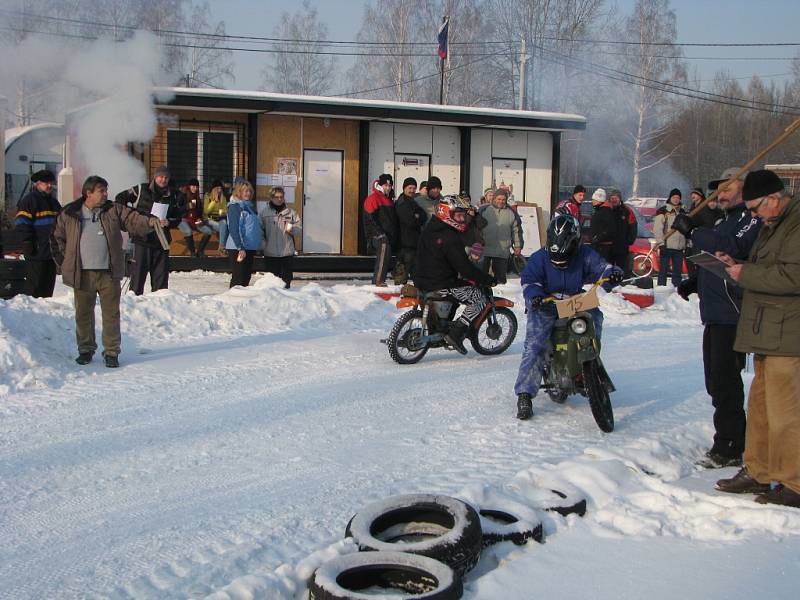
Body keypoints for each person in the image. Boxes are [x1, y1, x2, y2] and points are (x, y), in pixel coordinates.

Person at [714, 170, 800, 508]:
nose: (752, 215)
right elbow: (772, 267)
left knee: (786, 413)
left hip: (788, 335)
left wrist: (745, 273)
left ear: (775, 199)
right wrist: (736, 266)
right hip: (768, 332)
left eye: (755, 208)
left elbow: (793, 275)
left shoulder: (795, 225)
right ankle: (759, 470)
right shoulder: (775, 224)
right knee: (762, 409)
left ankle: (794, 481)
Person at [672, 170, 761, 469]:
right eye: (716, 189)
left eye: (725, 188)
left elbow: (730, 249)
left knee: (725, 380)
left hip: (732, 311)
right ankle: (732, 437)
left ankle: (730, 444)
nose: (718, 194)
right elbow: (718, 262)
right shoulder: (725, 220)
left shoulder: (750, 217)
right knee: (715, 380)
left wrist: (694, 232)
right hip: (715, 311)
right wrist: (695, 282)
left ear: (743, 189)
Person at [514, 214, 623, 420]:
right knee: (535, 345)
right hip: (546, 304)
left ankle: (588, 362)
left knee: (594, 317)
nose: (560, 262)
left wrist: (613, 273)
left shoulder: (585, 254)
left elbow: (602, 268)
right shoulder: (539, 258)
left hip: (574, 301)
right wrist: (536, 297)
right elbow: (529, 281)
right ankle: (525, 394)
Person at [51, 176, 160, 367]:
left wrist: (151, 222)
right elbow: (56, 237)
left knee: (111, 314)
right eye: (101, 191)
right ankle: (85, 349)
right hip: (82, 273)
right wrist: (64, 262)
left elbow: (133, 218)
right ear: (88, 193)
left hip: (109, 273)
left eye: (106, 190)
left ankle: (111, 352)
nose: (106, 194)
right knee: (83, 314)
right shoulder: (70, 212)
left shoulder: (113, 209)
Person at [414, 195, 495, 355]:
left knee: (461, 290)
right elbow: (464, 267)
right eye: (458, 215)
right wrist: (487, 279)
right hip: (441, 283)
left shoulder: (430, 229)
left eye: (463, 215)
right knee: (479, 298)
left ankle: (442, 326)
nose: (462, 219)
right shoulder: (449, 236)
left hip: (422, 279)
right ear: (446, 213)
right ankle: (456, 334)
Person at [115, 165, 183, 295]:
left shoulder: (173, 195)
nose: (163, 180)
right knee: (137, 277)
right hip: (142, 239)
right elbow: (119, 199)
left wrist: (169, 222)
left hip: (161, 241)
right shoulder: (141, 189)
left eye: (166, 178)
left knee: (161, 282)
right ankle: (134, 304)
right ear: (155, 177)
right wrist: (134, 217)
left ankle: (159, 306)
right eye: (161, 177)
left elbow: (178, 216)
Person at [14, 169, 60, 297]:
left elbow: (62, 224)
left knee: (48, 289)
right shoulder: (29, 201)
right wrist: (27, 241)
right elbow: (22, 223)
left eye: (51, 182)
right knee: (34, 288)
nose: (50, 185)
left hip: (51, 253)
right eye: (46, 183)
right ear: (37, 184)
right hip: (36, 252)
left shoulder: (54, 203)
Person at [259, 186, 301, 288]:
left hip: (286, 253)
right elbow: (259, 231)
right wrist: (263, 245)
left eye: (281, 197)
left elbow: (299, 229)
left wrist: (292, 229)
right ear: (271, 198)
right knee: (271, 284)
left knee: (286, 282)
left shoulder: (291, 213)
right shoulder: (264, 213)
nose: (279, 199)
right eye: (276, 197)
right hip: (270, 253)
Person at [479, 188, 523, 284]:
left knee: (500, 280)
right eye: (499, 199)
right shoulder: (484, 210)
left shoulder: (511, 213)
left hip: (502, 251)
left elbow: (516, 231)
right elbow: (476, 228)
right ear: (494, 199)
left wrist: (518, 246)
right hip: (484, 250)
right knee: (481, 278)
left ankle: (499, 297)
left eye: (503, 199)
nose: (501, 201)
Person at [362, 173, 399, 287]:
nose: (388, 188)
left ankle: (384, 279)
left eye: (389, 185)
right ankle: (378, 279)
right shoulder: (373, 198)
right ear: (380, 185)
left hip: (387, 235)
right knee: (384, 246)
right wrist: (379, 234)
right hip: (376, 235)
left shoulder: (389, 200)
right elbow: (369, 219)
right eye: (385, 185)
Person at [225, 179, 263, 288]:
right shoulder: (235, 206)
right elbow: (233, 228)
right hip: (238, 247)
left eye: (250, 191)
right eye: (245, 191)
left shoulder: (250, 207)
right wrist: (239, 247)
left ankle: (243, 302)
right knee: (238, 277)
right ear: (239, 192)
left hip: (249, 247)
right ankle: (233, 300)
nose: (248, 193)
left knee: (246, 277)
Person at [590, 188, 638, 271]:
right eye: (612, 198)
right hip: (609, 247)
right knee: (608, 269)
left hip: (622, 246)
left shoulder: (626, 211)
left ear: (620, 199)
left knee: (621, 269)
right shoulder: (607, 210)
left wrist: (629, 240)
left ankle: (623, 283)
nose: (614, 200)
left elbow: (633, 226)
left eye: (616, 198)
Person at [394, 177, 426, 284]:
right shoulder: (402, 203)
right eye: (410, 188)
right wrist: (416, 217)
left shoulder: (412, 201)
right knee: (402, 274)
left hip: (413, 242)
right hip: (404, 243)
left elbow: (423, 216)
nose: (412, 190)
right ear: (404, 188)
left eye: (414, 188)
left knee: (415, 272)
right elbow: (410, 221)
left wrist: (418, 216)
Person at [653, 189, 686, 286]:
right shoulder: (663, 211)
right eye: (674, 197)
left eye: (678, 198)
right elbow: (657, 229)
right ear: (670, 198)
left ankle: (677, 291)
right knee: (663, 271)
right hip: (666, 245)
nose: (676, 199)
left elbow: (686, 229)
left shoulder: (683, 212)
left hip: (679, 247)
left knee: (677, 273)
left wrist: (687, 243)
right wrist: (661, 243)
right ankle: (661, 289)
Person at [177, 178, 214, 257]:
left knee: (208, 231)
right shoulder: (183, 195)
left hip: (194, 219)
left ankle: (200, 251)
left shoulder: (197, 197)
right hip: (183, 219)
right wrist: (187, 206)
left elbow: (199, 210)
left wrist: (199, 218)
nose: (195, 188)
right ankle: (192, 252)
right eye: (193, 186)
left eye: (197, 187)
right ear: (189, 186)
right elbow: (177, 210)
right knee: (188, 231)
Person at [202, 179, 228, 255]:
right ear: (214, 189)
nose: (219, 190)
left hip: (219, 219)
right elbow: (206, 211)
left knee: (224, 223)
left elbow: (226, 210)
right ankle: (223, 248)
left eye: (221, 188)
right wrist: (214, 201)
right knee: (224, 228)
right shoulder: (208, 196)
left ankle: (221, 247)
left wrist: (222, 212)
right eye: (218, 188)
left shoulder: (223, 198)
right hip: (208, 219)